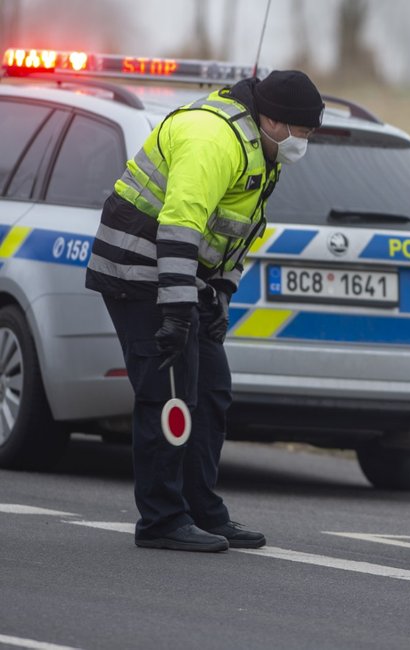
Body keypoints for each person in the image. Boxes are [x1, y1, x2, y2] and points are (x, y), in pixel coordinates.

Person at [85, 70, 324, 552]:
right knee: (167, 394)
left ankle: (200, 510)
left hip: (182, 278)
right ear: (273, 119)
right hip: (138, 271)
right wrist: (176, 311)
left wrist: (220, 292)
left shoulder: (262, 145)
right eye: (302, 131)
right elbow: (181, 223)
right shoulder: (213, 137)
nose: (305, 142)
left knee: (210, 391)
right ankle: (161, 519)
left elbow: (235, 228)